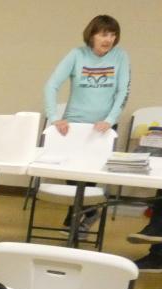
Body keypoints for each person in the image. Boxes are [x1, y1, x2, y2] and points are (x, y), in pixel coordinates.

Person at [43, 15, 130, 231]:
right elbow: (51, 85)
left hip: (103, 127)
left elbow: (123, 91)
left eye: (112, 34)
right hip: (74, 125)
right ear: (92, 35)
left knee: (91, 177)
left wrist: (110, 120)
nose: (108, 39)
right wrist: (55, 118)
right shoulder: (77, 54)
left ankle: (76, 219)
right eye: (103, 34)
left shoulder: (120, 57)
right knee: (72, 176)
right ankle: (87, 213)